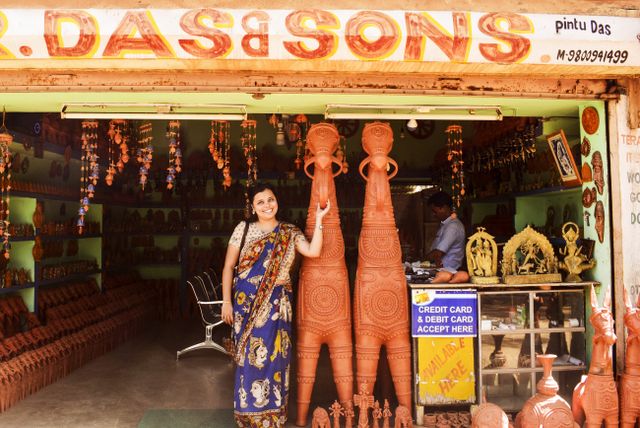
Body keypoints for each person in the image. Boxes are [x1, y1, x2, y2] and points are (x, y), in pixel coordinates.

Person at [221, 182, 330, 427]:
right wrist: (226, 302)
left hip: (277, 308)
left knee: (276, 358)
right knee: (247, 359)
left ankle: (273, 417)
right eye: (260, 202)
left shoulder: (290, 232)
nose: (267, 205)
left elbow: (313, 251)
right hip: (244, 306)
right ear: (252, 207)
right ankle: (247, 416)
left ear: (277, 201)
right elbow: (228, 267)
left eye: (270, 199)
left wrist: (320, 219)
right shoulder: (244, 229)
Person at [425, 191, 468, 283]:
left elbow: (438, 253)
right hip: (443, 272)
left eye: (434, 211)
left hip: (450, 273)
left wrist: (423, 259)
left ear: (443, 208)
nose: (433, 214)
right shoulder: (445, 224)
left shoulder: (453, 226)